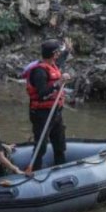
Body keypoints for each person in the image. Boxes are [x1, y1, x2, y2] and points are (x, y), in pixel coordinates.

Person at [24, 39, 71, 171]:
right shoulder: (40, 72)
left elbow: (61, 61)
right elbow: (42, 94)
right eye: (58, 53)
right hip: (42, 114)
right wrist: (58, 83)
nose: (59, 55)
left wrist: (67, 51)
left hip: (55, 112)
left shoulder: (53, 64)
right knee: (41, 146)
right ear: (54, 54)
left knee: (60, 144)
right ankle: (34, 170)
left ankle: (61, 169)